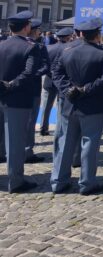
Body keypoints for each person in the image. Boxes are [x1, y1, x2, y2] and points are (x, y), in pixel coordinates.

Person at [50, 18, 103, 195]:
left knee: (64, 143)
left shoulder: (67, 52)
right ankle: (87, 183)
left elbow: (56, 74)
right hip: (93, 105)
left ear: (81, 34)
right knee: (90, 145)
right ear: (98, 34)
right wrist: (85, 89)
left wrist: (68, 89)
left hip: (70, 103)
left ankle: (58, 181)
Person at [0, 10, 40, 192]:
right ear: (26, 27)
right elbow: (29, 72)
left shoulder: (1, 45)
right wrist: (11, 85)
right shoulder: (30, 47)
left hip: (2, 95)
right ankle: (15, 181)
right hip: (18, 99)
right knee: (15, 143)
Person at [40, 27, 74, 137]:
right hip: (63, 80)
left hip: (49, 79)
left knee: (46, 105)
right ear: (68, 37)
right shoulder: (69, 48)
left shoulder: (49, 47)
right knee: (61, 106)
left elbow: (44, 65)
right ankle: (59, 129)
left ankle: (43, 127)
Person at [25, 18, 47, 164]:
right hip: (32, 88)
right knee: (30, 120)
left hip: (12, 89)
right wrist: (33, 74)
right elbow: (45, 66)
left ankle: (3, 150)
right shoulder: (38, 46)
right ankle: (27, 151)